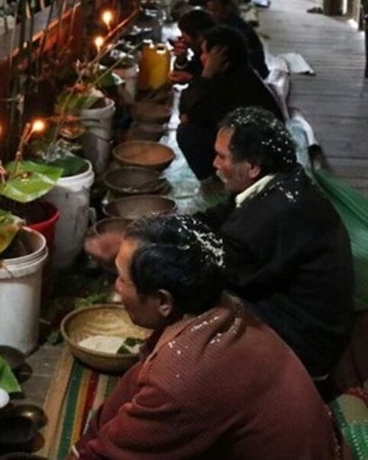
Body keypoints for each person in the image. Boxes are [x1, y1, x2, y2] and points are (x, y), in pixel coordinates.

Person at [71, 215, 346, 460]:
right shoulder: (225, 307)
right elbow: (137, 379)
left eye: (122, 279)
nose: (116, 287)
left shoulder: (182, 377)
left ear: (163, 301)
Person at [198, 107, 354, 382]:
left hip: (308, 346)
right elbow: (217, 216)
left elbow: (218, 266)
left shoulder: (273, 213)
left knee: (196, 295)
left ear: (252, 166)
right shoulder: (280, 178)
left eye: (222, 156)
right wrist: (169, 229)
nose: (214, 164)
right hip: (301, 315)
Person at [177, 25, 282, 180]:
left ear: (221, 57)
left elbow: (192, 114)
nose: (201, 57)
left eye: (205, 53)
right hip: (250, 147)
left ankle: (216, 179)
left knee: (188, 132)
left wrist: (206, 74)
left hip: (258, 160)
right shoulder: (233, 73)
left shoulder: (235, 83)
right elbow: (186, 103)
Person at [206, 0, 269, 78]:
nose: (212, 14)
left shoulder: (235, 31)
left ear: (228, 8)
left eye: (216, 10)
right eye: (210, 11)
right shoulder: (224, 25)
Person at [169, 8, 216, 83]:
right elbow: (190, 72)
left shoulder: (217, 54)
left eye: (184, 36)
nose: (183, 40)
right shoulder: (200, 52)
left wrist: (191, 78)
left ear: (199, 36)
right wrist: (181, 60)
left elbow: (215, 85)